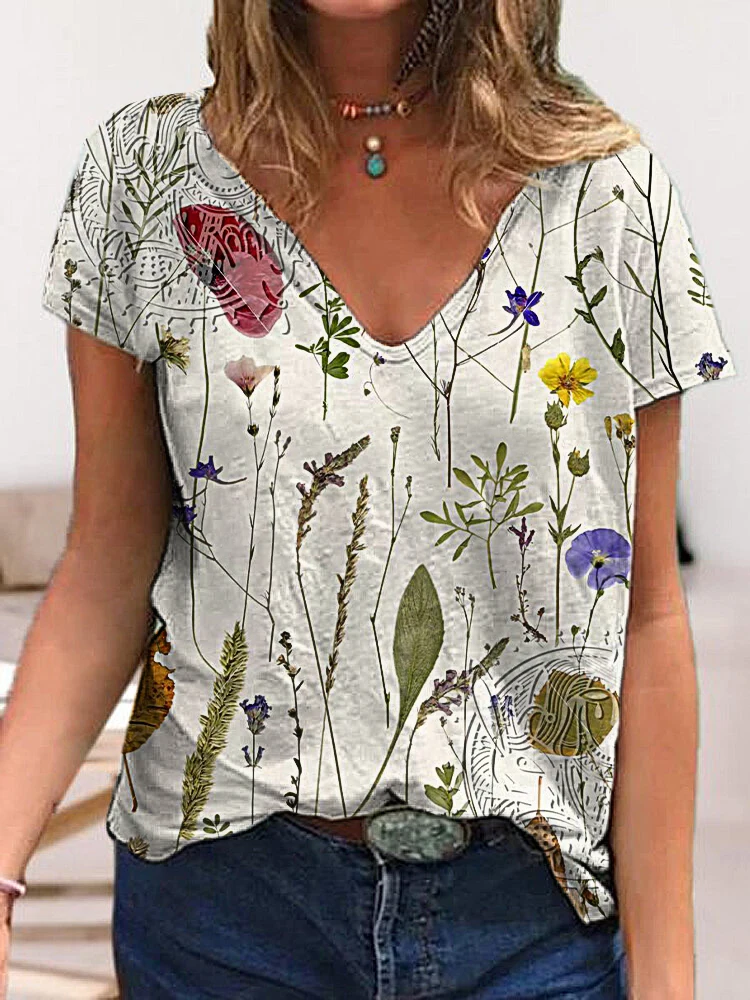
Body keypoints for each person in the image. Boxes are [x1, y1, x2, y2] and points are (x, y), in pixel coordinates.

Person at [0, 1, 738, 997]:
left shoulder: (607, 194)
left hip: (529, 926)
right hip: (224, 919)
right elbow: (105, 564)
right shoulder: (143, 178)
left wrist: (670, 980)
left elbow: (646, 617)